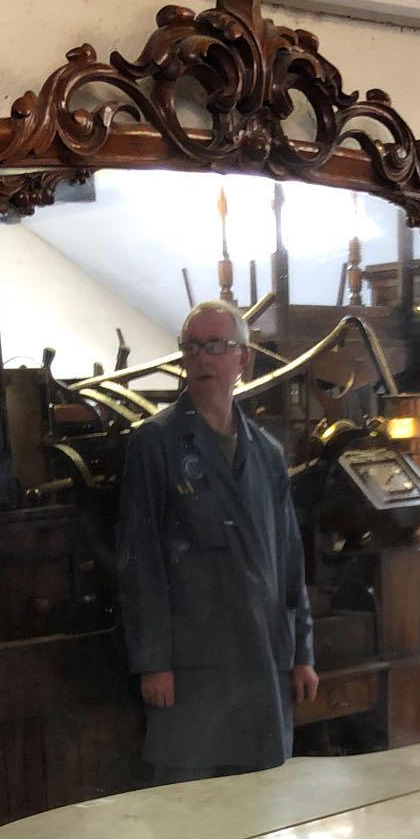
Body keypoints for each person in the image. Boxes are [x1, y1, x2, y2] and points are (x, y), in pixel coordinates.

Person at [116, 300, 318, 784]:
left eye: (215, 346)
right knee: (193, 816)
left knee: (262, 806)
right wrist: (154, 663)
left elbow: (289, 560)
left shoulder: (266, 454)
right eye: (192, 347)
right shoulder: (155, 443)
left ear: (242, 358)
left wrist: (303, 652)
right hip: (191, 665)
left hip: (261, 660)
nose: (203, 358)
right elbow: (139, 561)